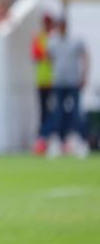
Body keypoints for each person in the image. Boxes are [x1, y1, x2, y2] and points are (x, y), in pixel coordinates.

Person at [42, 16, 90, 158]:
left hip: (72, 81)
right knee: (57, 113)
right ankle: (57, 141)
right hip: (58, 82)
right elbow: (48, 57)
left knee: (75, 112)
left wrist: (84, 76)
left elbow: (85, 56)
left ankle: (79, 140)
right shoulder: (52, 42)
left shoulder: (75, 41)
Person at [31, 14, 55, 154]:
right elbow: (38, 54)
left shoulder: (53, 37)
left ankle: (50, 137)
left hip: (55, 80)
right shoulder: (40, 37)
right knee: (44, 111)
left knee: (53, 112)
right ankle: (43, 139)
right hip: (42, 79)